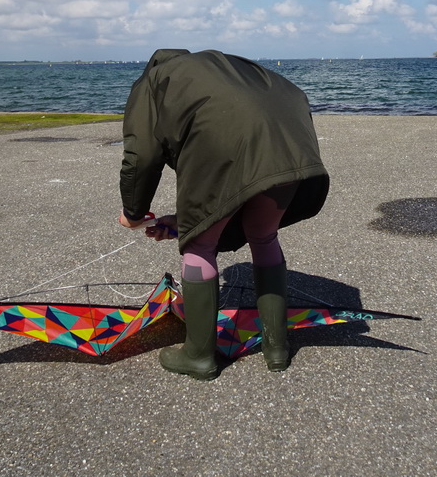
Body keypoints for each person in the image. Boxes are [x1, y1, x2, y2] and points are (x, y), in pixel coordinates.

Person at [118, 49, 330, 380]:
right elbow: (241, 188)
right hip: (291, 138)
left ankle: (199, 356)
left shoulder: (152, 80)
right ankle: (277, 348)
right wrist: (185, 220)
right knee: (263, 235)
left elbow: (141, 156)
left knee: (199, 247)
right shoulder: (217, 67)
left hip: (228, 139)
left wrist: (133, 213)